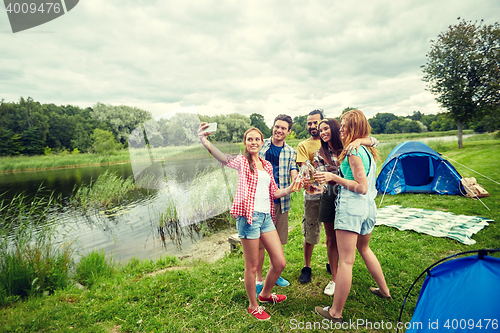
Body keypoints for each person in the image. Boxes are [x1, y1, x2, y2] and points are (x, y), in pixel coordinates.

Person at [198, 123, 296, 321]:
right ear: (245, 142)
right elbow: (223, 158)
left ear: (262, 143)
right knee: (251, 267)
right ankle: (254, 305)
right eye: (249, 139)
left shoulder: (267, 165)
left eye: (257, 139)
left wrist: (291, 188)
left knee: (279, 262)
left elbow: (274, 192)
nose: (253, 142)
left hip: (266, 218)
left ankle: (266, 295)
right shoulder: (242, 162)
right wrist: (204, 140)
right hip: (248, 218)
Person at [314, 110, 391, 322]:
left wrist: (333, 177)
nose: (341, 128)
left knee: (346, 261)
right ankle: (384, 290)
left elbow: (361, 187)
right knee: (364, 249)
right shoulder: (366, 148)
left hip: (352, 207)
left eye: (345, 124)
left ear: (354, 127)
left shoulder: (353, 152)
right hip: (367, 208)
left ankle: (335, 312)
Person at [312, 118, 379, 296]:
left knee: (349, 246)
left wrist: (358, 140)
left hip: (349, 196)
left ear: (336, 129)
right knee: (331, 239)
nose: (323, 133)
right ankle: (335, 278)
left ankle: (343, 276)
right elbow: (320, 178)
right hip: (330, 195)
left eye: (326, 129)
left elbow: (375, 141)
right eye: (321, 130)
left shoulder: (349, 145)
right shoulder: (319, 154)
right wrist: (316, 183)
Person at [256, 114, 298, 295]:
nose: (279, 130)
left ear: (288, 132)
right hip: (260, 202)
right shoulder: (260, 144)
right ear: (272, 127)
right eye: (277, 126)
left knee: (278, 241)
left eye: (283, 128)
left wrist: (296, 181)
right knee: (259, 244)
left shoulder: (291, 152)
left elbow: (293, 170)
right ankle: (258, 279)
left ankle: (275, 272)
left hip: (281, 201)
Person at [296, 109, 324, 284]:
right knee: (310, 229)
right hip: (313, 193)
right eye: (309, 123)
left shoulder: (332, 140)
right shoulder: (303, 145)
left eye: (316, 122)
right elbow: (304, 167)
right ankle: (307, 266)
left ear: (322, 122)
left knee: (333, 231)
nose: (312, 126)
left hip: (333, 193)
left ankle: (331, 262)